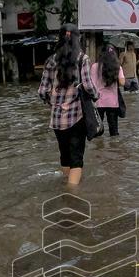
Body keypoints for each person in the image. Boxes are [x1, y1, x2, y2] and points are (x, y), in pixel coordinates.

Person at [38, 23, 98, 186]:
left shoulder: (51, 60)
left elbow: (42, 91)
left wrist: (54, 103)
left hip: (57, 120)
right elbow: (88, 86)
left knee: (65, 157)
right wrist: (96, 96)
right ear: (77, 39)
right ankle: (71, 196)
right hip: (76, 117)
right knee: (76, 159)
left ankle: (65, 189)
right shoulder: (82, 59)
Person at [90, 44, 125, 137]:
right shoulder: (117, 67)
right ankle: (113, 149)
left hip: (98, 101)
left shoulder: (94, 67)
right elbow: (122, 83)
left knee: (97, 131)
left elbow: (91, 85)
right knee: (114, 132)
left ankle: (98, 149)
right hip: (113, 103)